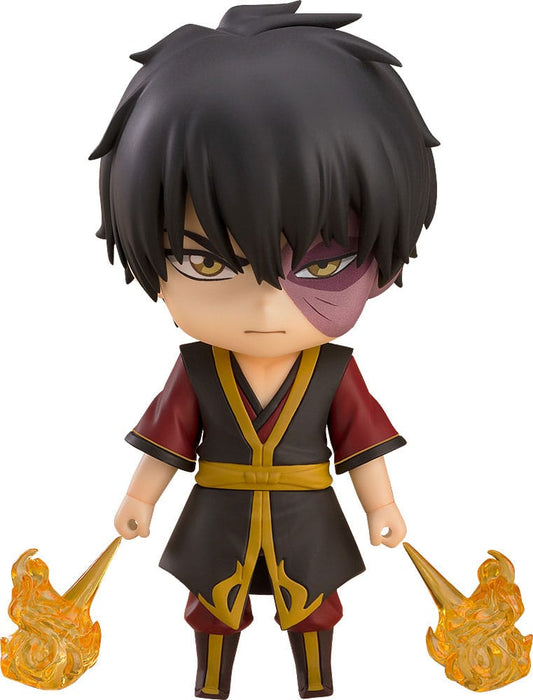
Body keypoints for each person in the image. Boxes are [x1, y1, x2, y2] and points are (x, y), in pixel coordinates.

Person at [90, 2, 438, 697]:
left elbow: (360, 444)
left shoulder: (334, 369)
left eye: (321, 264)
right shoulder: (196, 368)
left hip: (306, 517)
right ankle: (211, 684)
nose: (265, 308)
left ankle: (316, 684)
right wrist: (139, 497)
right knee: (211, 609)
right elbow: (168, 440)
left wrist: (381, 506)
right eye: (205, 262)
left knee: (312, 607)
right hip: (218, 512)